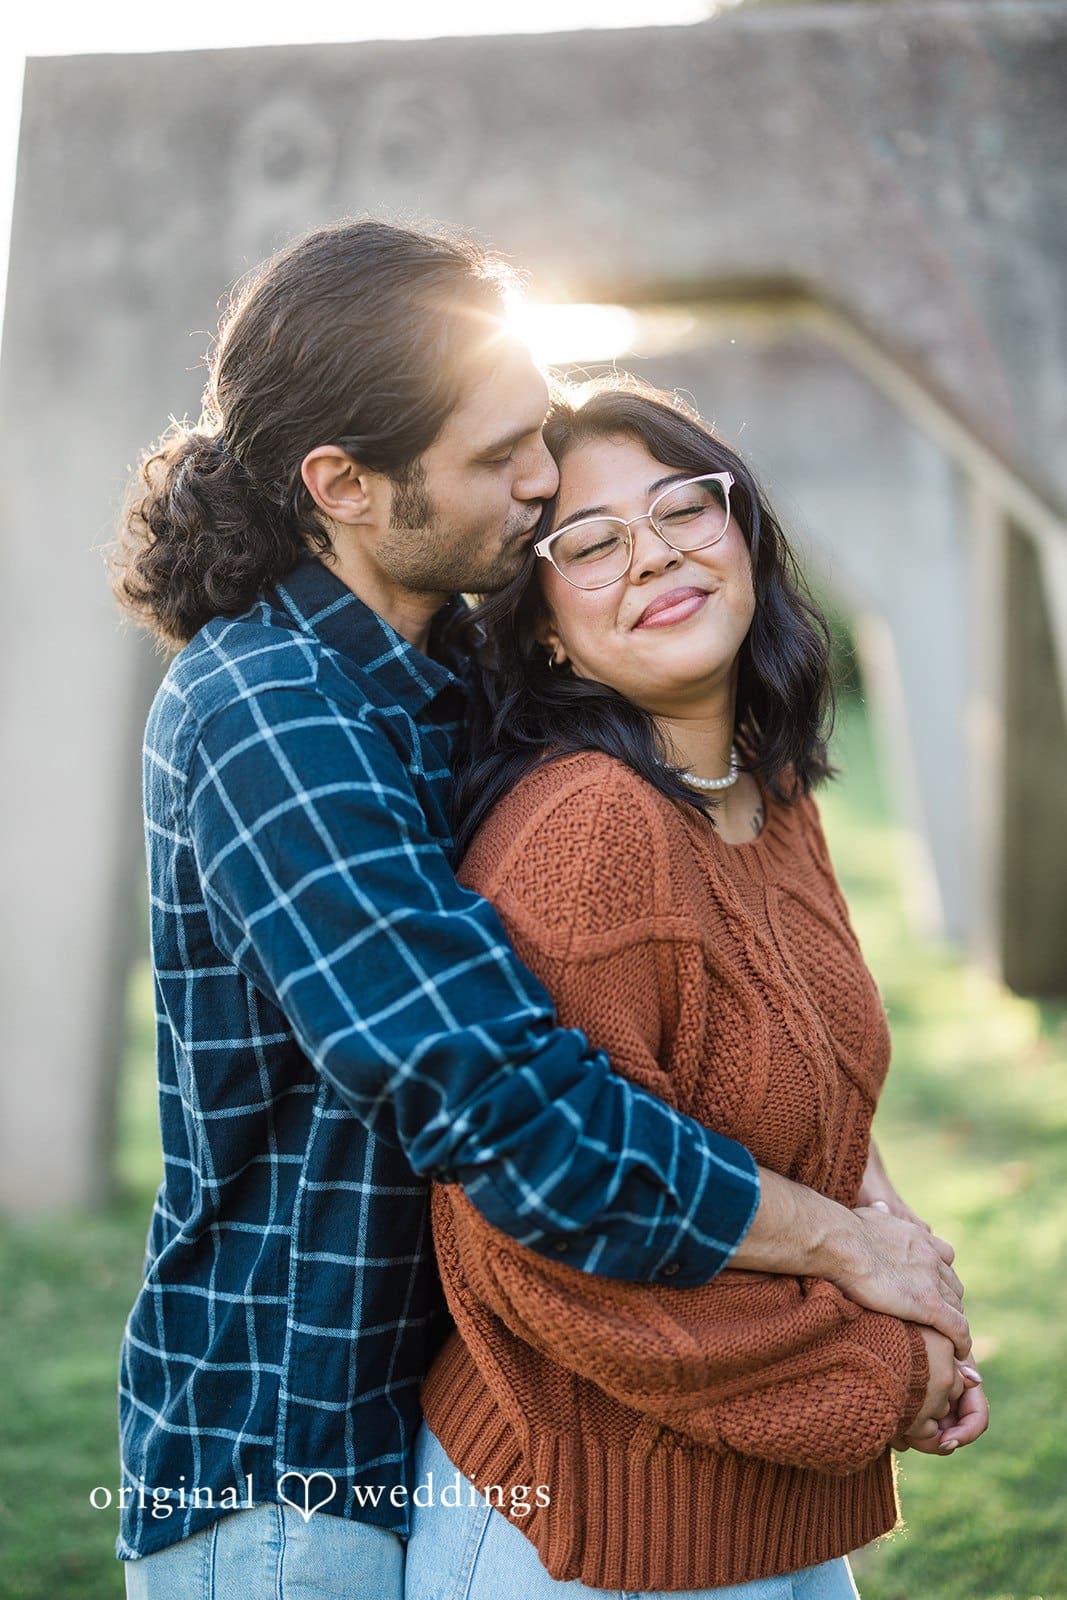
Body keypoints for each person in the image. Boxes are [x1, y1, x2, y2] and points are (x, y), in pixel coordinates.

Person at [109, 220, 971, 1600]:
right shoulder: (266, 711)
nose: (539, 477)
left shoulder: (451, 660)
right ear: (341, 482)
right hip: (295, 1453)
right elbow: (505, 1107)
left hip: (481, 1398)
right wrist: (852, 1256)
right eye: (497, 456)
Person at [406, 378, 988, 1599]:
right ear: (546, 627)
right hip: (588, 1529)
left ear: (745, 535)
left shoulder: (761, 791)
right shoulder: (586, 832)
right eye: (592, 541)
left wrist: (905, 1265)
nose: (655, 553)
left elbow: (821, 1090)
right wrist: (878, 1366)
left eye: (683, 508)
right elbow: (543, 1237)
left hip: (764, 1511)